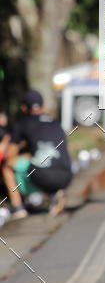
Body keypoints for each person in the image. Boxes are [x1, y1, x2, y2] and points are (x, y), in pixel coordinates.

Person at [2, 90, 73, 218]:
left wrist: (9, 142)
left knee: (8, 166)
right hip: (66, 176)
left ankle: (18, 208)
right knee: (43, 164)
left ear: (24, 108)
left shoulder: (22, 123)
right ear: (43, 106)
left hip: (43, 175)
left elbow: (9, 154)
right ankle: (54, 194)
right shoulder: (55, 122)